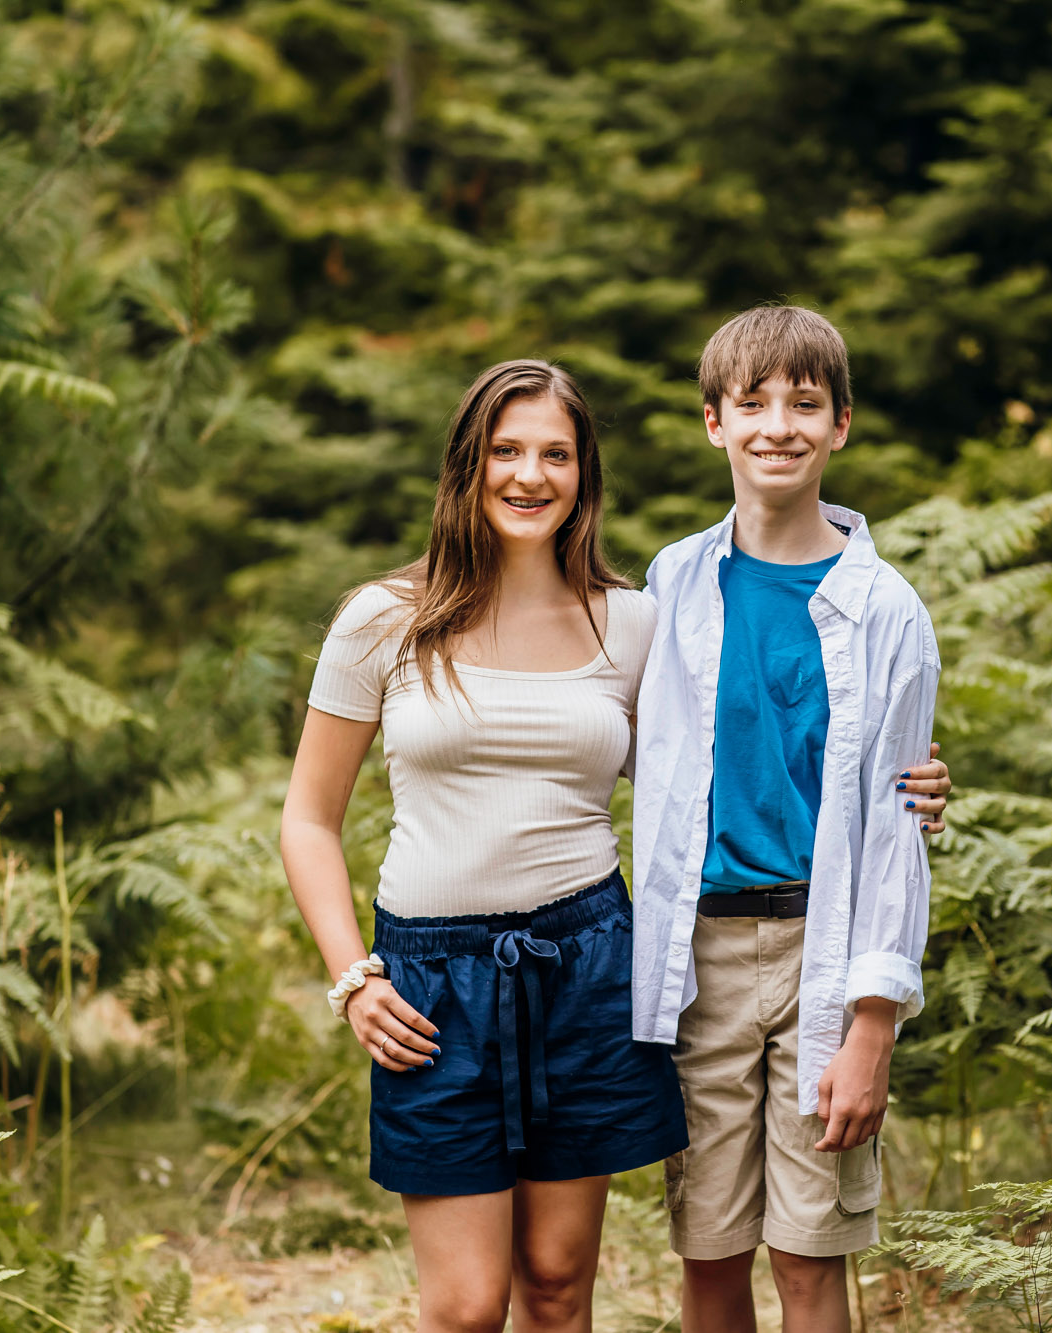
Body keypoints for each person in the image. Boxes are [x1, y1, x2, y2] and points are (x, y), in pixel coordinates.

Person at [280, 358, 948, 1333]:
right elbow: (307, 817)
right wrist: (354, 977)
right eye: (504, 451)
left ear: (583, 477)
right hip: (431, 981)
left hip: (585, 963)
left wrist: (907, 784)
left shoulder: (634, 622)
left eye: (555, 454)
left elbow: (727, 767)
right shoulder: (384, 621)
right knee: (466, 1306)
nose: (528, 475)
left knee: (557, 1284)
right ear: (466, 464)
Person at [632, 306, 942, 1333]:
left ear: (840, 425)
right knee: (709, 1252)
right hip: (699, 962)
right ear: (712, 422)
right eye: (751, 402)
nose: (778, 425)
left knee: (809, 1258)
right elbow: (618, 740)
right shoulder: (673, 583)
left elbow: (896, 828)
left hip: (825, 943)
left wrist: (872, 1029)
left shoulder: (886, 608)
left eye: (804, 404)